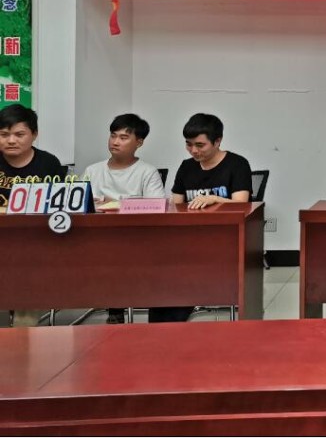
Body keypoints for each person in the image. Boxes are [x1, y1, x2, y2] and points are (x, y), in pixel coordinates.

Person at [149, 112, 252, 324]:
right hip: (188, 240)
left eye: (200, 145)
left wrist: (215, 199)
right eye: (189, 144)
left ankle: (172, 322)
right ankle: (162, 329)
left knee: (183, 273)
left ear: (218, 141)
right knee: (164, 270)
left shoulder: (237, 164)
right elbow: (176, 204)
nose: (194, 150)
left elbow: (242, 204)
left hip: (225, 240)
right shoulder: (187, 167)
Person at [83, 113, 165, 324]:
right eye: (113, 135)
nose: (115, 142)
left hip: (134, 238)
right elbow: (78, 205)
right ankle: (114, 305)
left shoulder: (148, 172)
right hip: (95, 238)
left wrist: (115, 203)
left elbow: (157, 207)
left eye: (123, 137)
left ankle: (117, 306)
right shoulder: (92, 170)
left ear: (139, 142)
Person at [0, 103, 64, 328]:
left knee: (29, 274)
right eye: (4, 134)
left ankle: (21, 333)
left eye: (19, 134)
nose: (11, 140)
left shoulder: (49, 164)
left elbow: (59, 206)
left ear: (34, 135)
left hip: (35, 242)